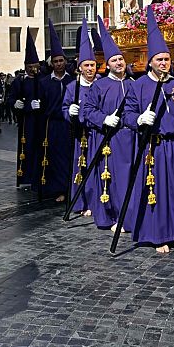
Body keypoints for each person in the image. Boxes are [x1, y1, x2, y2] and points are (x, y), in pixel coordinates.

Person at [122, 6, 174, 254]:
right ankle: (159, 235)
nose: (164, 63)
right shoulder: (139, 86)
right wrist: (139, 119)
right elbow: (127, 114)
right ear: (151, 62)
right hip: (153, 146)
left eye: (167, 59)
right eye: (160, 60)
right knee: (157, 191)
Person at [82, 17, 136, 231]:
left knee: (133, 178)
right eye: (114, 61)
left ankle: (130, 217)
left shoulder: (134, 84)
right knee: (115, 181)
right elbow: (88, 111)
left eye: (121, 60)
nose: (119, 63)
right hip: (111, 141)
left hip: (132, 138)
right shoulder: (100, 86)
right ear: (107, 65)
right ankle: (115, 215)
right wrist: (104, 119)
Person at [63, 19, 101, 217]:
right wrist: (69, 112)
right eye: (86, 65)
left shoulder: (102, 84)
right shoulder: (72, 87)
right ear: (79, 67)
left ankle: (98, 202)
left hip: (99, 134)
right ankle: (81, 201)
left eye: (93, 65)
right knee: (81, 167)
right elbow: (64, 108)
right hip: (82, 135)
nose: (90, 69)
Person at [38, 20, 74, 201]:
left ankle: (71, 188)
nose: (59, 64)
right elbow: (42, 104)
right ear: (51, 64)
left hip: (69, 124)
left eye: (61, 60)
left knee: (70, 155)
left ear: (65, 62)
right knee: (55, 156)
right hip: (52, 124)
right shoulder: (44, 82)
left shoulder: (72, 81)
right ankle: (59, 189)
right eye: (55, 61)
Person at [10, 30, 44, 188]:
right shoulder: (19, 81)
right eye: (30, 66)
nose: (33, 69)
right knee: (28, 147)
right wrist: (15, 104)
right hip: (27, 121)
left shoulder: (43, 80)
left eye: (35, 66)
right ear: (25, 66)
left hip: (42, 120)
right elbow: (11, 99)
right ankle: (26, 177)